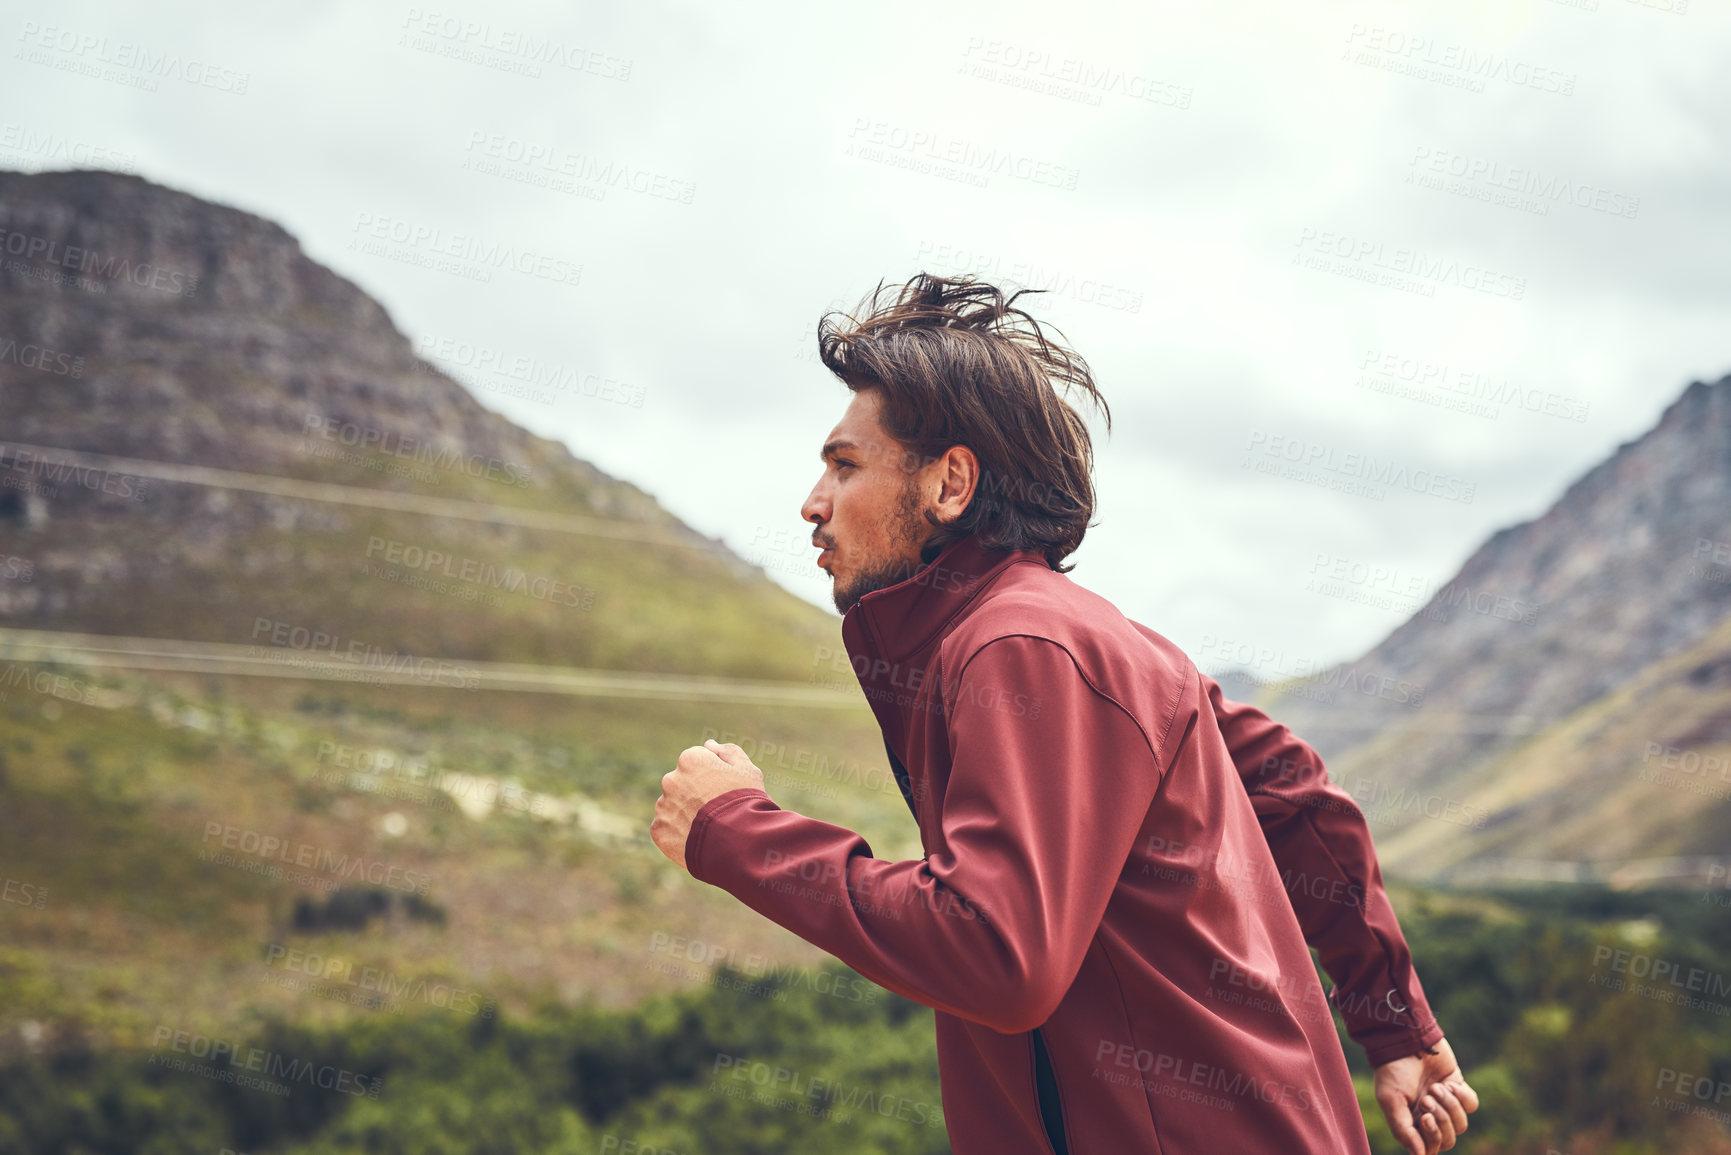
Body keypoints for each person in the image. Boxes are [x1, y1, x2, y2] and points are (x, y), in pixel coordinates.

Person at [652, 274, 1479, 1153]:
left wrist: (734, 831)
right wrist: (1397, 1027)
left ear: (951, 481)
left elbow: (998, 953)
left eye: (844, 464)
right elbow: (1295, 796)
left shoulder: (1021, 645)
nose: (813, 502)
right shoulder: (1089, 638)